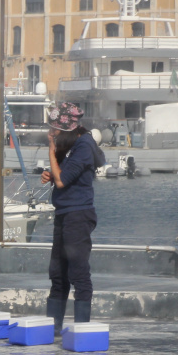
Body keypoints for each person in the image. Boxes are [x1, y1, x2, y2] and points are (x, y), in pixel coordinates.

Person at [40, 102, 106, 332]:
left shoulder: (84, 145)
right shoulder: (70, 144)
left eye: (55, 129)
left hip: (78, 215)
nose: (52, 133)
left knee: (78, 273)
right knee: (58, 274)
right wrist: (50, 173)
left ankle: (82, 329)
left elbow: (62, 181)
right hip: (64, 213)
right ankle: (53, 328)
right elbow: (62, 176)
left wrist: (51, 150)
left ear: (66, 128)